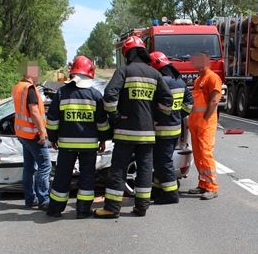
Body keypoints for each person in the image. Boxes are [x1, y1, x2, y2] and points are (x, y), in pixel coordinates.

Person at [94, 36, 173, 218]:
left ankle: (112, 208)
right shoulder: (155, 74)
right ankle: (141, 207)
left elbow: (109, 96)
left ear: (127, 53)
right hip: (147, 133)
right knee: (145, 169)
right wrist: (157, 118)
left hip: (125, 132)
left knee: (118, 169)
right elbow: (167, 100)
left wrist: (115, 118)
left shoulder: (124, 71)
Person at [45, 56, 110, 219]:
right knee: (87, 177)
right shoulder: (95, 95)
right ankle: (83, 210)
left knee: (62, 176)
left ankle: (55, 209)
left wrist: (52, 137)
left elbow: (52, 119)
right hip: (89, 146)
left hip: (66, 145)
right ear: (89, 74)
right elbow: (102, 122)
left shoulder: (61, 93)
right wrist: (103, 139)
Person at [149, 51, 193, 205]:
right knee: (159, 161)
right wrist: (178, 115)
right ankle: (157, 190)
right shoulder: (179, 81)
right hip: (175, 128)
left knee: (163, 163)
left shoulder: (161, 82)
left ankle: (171, 195)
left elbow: (153, 106)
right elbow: (189, 103)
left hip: (162, 129)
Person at [12, 63, 51, 209]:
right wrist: (42, 132)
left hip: (22, 134)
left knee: (28, 167)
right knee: (45, 165)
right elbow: (34, 112)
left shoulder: (18, 87)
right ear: (30, 75)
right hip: (33, 134)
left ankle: (30, 199)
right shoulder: (30, 89)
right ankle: (43, 199)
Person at [187, 51, 223, 200]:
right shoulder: (198, 79)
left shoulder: (213, 78)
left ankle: (212, 187)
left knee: (205, 153)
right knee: (198, 154)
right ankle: (203, 184)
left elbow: (214, 101)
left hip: (205, 123)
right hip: (196, 123)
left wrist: (206, 118)